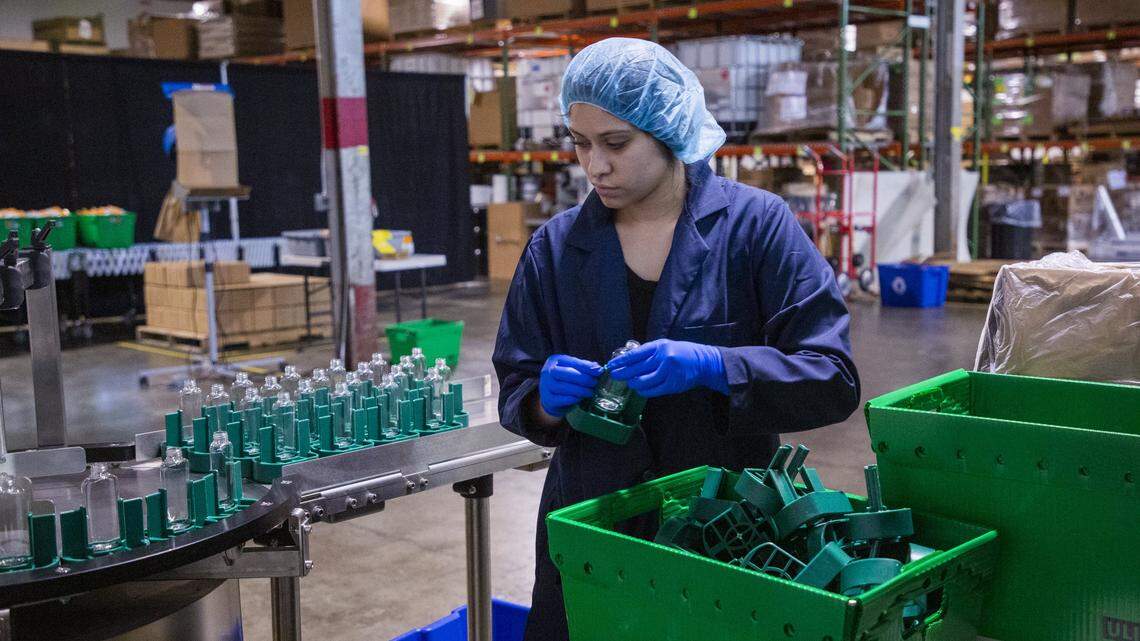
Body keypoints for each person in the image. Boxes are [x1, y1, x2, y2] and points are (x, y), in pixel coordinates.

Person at [492, 38, 860, 641]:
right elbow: (517, 383)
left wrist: (717, 366)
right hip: (592, 525)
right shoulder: (554, 250)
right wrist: (543, 399)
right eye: (581, 143)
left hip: (724, 527)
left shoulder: (756, 228)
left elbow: (833, 378)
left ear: (670, 129)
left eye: (615, 144)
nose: (594, 166)